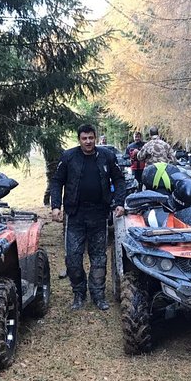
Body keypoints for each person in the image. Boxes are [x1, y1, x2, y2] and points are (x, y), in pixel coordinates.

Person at [50, 124, 126, 310]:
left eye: (91, 138)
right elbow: (57, 181)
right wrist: (55, 206)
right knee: (73, 259)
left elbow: (119, 179)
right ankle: (79, 293)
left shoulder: (106, 156)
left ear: (95, 138)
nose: (88, 142)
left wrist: (119, 202)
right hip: (75, 215)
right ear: (79, 139)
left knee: (99, 257)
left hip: (99, 214)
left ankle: (98, 295)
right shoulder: (69, 157)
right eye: (84, 138)